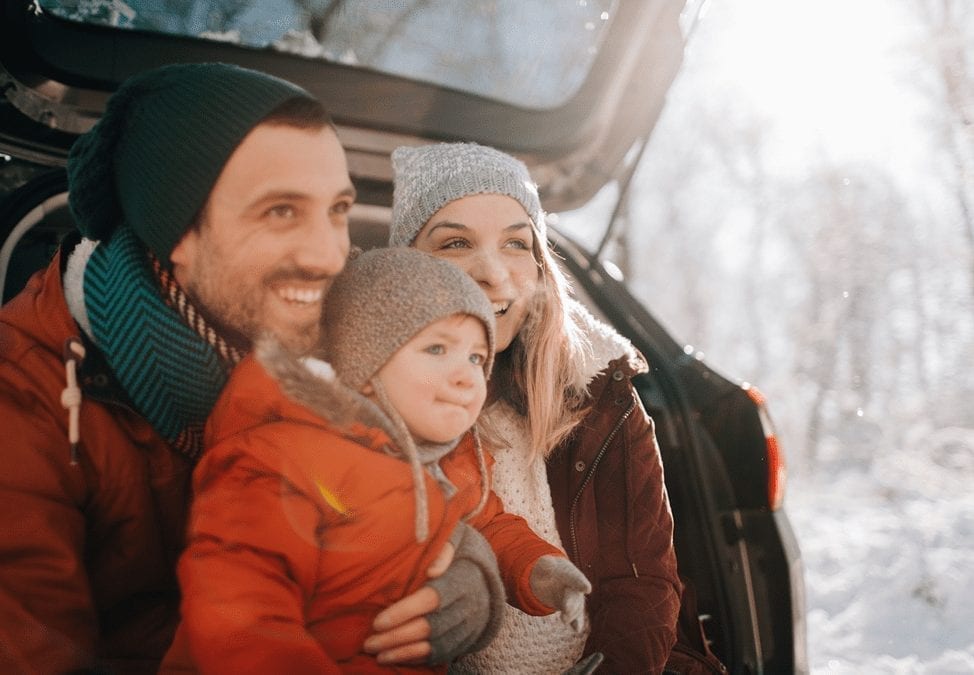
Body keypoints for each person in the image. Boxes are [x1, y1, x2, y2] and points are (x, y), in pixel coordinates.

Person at [0, 64, 489, 674]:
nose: (329, 254)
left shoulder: (342, 323)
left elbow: (435, 446)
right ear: (178, 232)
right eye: (281, 212)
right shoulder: (25, 401)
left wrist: (463, 557)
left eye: (337, 209)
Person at [161, 246, 595, 673]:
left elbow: (488, 525)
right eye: (437, 349)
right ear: (365, 362)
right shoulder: (287, 460)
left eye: (476, 357)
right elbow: (238, 616)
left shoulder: (450, 461)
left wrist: (543, 572)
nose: (466, 376)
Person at [390, 142, 684, 674]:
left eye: (515, 244)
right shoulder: (369, 401)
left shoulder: (603, 396)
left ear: (540, 265)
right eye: (456, 242)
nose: (493, 273)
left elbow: (641, 585)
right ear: (407, 269)